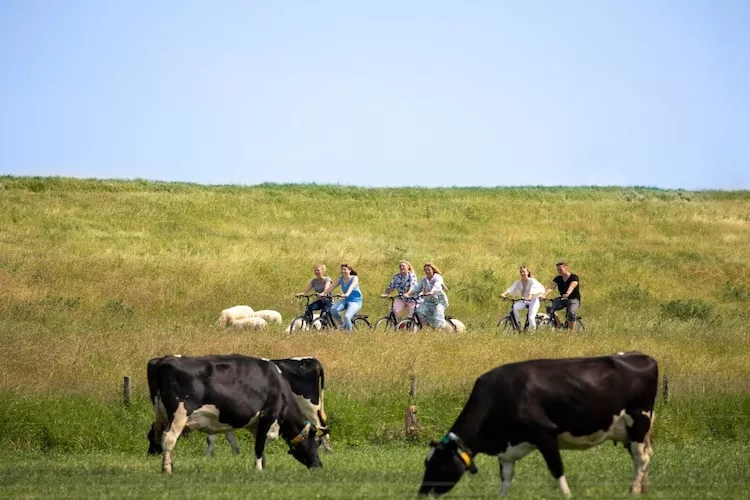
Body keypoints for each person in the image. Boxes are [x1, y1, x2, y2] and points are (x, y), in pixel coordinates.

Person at [500, 265, 546, 330]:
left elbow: (533, 289)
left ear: (528, 272)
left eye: (524, 272)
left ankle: (532, 333)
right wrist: (503, 294)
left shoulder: (532, 281)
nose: (522, 273)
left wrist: (530, 296)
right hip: (524, 300)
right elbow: (511, 288)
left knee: (531, 317)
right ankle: (518, 324)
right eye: (521, 272)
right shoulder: (518, 282)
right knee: (514, 307)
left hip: (533, 300)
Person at [320, 264, 362, 332]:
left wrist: (346, 294)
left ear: (350, 270)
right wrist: (323, 293)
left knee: (347, 316)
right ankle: (342, 325)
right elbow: (332, 287)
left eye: (345, 269)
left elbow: (352, 286)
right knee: (333, 309)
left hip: (355, 301)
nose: (343, 271)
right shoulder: (341, 279)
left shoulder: (354, 278)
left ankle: (349, 333)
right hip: (346, 300)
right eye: (342, 269)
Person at [407, 263, 449, 329]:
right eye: (425, 270)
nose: (427, 271)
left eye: (429, 270)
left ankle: (441, 330)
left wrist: (432, 291)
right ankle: (426, 327)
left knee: (438, 314)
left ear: (433, 270)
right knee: (419, 311)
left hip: (438, 301)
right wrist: (408, 294)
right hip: (428, 301)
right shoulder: (424, 280)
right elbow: (417, 288)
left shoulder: (437, 277)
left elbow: (437, 285)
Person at [543, 261, 581, 331]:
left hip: (573, 299)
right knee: (549, 307)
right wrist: (544, 295)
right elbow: (551, 288)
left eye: (560, 269)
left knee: (571, 312)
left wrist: (567, 294)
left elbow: (571, 287)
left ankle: (571, 332)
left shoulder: (574, 277)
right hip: (562, 299)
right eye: (558, 270)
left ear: (566, 268)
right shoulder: (558, 278)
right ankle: (559, 324)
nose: (559, 271)